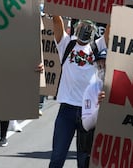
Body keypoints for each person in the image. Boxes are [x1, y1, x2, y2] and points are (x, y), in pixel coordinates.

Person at [49, 15, 107, 168]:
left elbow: (112, 28)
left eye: (90, 28)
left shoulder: (96, 47)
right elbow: (56, 21)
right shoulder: (66, 44)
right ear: (77, 28)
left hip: (88, 112)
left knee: (84, 162)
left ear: (94, 32)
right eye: (83, 27)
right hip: (66, 111)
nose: (86, 30)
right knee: (57, 158)